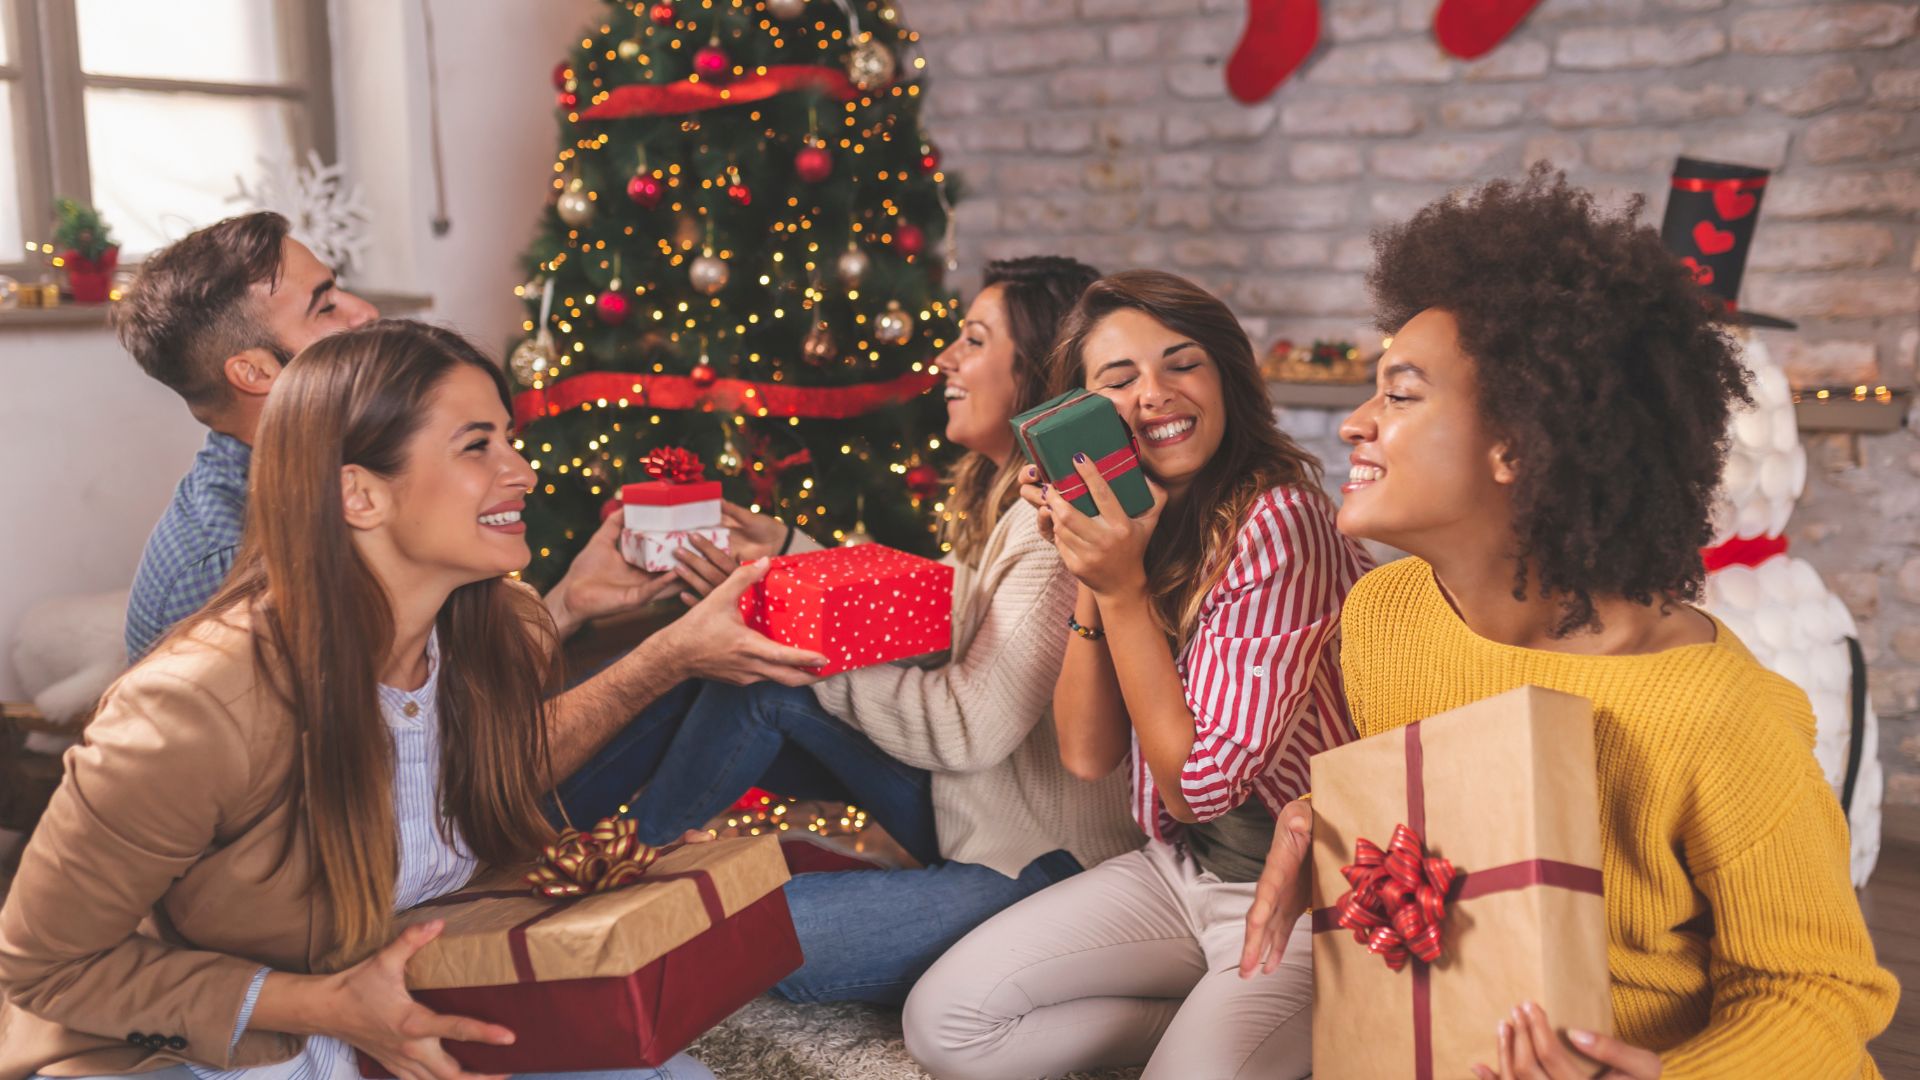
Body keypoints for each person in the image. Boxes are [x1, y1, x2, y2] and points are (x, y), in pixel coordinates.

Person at [1238, 168, 1898, 1080]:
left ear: (1515, 442)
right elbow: (1442, 822)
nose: (1355, 423)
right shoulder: (1385, 616)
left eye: (1400, 393)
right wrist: (1316, 828)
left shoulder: (1721, 714)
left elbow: (1819, 993)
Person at [0, 321, 718, 1080]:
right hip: (242, 1049)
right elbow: (43, 967)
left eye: (509, 438)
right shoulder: (190, 710)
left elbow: (505, 692)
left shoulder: (491, 628)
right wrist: (322, 1006)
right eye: (477, 445)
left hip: (426, 1009)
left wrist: (574, 601)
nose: (525, 473)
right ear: (358, 493)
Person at [553, 256, 1142, 1006]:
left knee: (742, 938)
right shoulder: (1005, 496)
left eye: (972, 340)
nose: (945, 360)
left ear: (1034, 369)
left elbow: (966, 730)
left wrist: (788, 634)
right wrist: (788, 551)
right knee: (746, 677)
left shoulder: (1057, 519)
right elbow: (947, 609)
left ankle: (601, 852)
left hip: (1040, 861)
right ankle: (595, 848)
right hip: (976, 807)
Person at [112, 211, 818, 795]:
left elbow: (432, 695)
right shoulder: (224, 568)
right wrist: (662, 658)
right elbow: (413, 790)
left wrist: (570, 601)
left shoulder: (344, 467)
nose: (364, 313)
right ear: (256, 373)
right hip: (407, 888)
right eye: (325, 306)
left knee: (735, 691)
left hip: (462, 807)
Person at [903, 270, 1373, 1080]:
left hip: (1307, 901)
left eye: (1182, 364)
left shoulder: (1282, 521)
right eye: (1117, 381)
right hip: (1183, 870)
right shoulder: (1138, 523)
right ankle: (1207, 1023)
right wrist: (1090, 562)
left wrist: (1120, 587)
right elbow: (1087, 754)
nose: (1155, 393)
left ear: (1226, 377)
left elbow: (1202, 785)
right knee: (945, 1025)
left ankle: (1304, 1026)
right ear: (1076, 417)